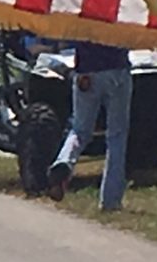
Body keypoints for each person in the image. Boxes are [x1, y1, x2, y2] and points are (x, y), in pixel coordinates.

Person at [48, 40, 132, 210]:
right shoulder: (119, 15)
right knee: (116, 136)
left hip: (85, 72)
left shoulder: (83, 16)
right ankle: (110, 200)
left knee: (79, 130)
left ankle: (64, 161)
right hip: (117, 71)